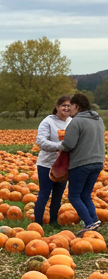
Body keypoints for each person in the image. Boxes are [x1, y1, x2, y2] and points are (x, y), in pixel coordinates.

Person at [59, 92, 105, 231]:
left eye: (71, 106)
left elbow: (69, 145)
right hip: (98, 162)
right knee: (85, 194)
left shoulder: (77, 121)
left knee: (73, 196)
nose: (69, 110)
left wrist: (58, 146)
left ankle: (89, 222)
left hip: (81, 163)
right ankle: (94, 221)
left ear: (77, 106)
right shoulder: (98, 120)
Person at [33, 95, 71, 226]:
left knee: (58, 195)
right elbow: (41, 142)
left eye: (69, 105)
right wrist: (60, 146)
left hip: (64, 165)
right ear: (57, 107)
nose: (66, 108)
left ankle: (53, 221)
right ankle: (37, 223)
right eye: (63, 105)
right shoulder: (48, 121)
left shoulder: (72, 122)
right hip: (47, 164)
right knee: (44, 193)